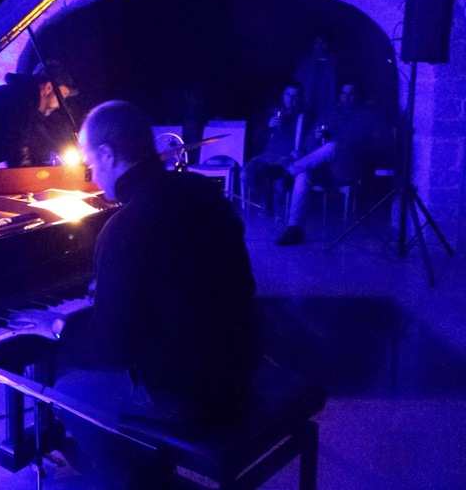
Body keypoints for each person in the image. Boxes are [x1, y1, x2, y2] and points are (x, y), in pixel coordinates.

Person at [54, 100, 261, 488]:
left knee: (67, 390)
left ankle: (131, 479)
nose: (92, 176)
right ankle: (142, 464)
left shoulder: (124, 227)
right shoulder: (202, 190)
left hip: (188, 396)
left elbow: (112, 353)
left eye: (90, 163)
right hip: (241, 366)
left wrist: (58, 329)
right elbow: (231, 283)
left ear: (108, 154)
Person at [276, 83, 376, 246]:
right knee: (303, 174)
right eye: (343, 93)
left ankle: (289, 171)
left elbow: (364, 145)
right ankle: (294, 229)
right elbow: (307, 146)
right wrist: (315, 138)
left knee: (333, 146)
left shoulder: (362, 117)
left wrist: (338, 141)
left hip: (345, 168)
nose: (346, 97)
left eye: (351, 94)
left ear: (357, 97)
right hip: (322, 169)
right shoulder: (329, 115)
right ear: (339, 96)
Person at [241, 82, 308, 214]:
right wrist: (268, 126)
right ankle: (266, 200)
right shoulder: (274, 112)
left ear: (299, 98)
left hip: (288, 157)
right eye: (288, 94)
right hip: (268, 155)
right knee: (245, 174)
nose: (290, 99)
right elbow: (258, 137)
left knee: (282, 183)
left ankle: (279, 209)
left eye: (294, 96)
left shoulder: (303, 117)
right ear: (283, 95)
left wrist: (301, 151)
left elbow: (309, 140)